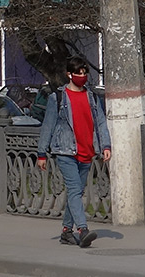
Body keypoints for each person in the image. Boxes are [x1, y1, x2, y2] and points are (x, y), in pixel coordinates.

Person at [36, 56, 112, 248]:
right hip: (65, 151)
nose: (82, 76)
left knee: (76, 191)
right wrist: (41, 153)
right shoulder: (58, 98)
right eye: (78, 73)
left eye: (85, 73)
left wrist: (106, 146)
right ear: (69, 74)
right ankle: (83, 229)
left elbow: (101, 123)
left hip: (87, 151)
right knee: (75, 190)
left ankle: (66, 231)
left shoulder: (92, 97)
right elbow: (48, 126)